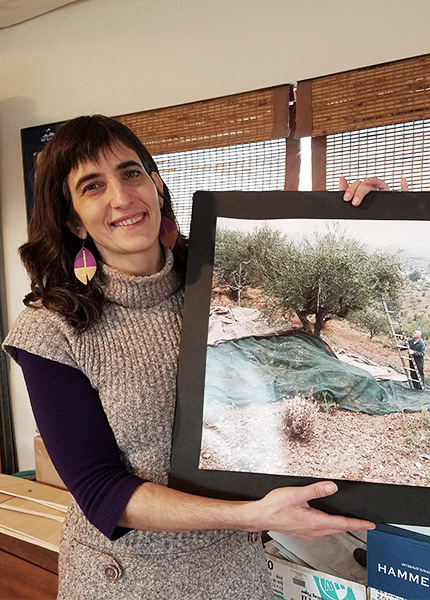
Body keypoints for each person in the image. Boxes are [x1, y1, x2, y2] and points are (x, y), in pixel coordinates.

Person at [2, 115, 388, 599]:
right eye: (92, 186)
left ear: (157, 185)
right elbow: (101, 491)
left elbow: (313, 267)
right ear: (72, 218)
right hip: (126, 581)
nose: (121, 198)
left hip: (237, 573)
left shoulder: (214, 286)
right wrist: (247, 516)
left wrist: (372, 214)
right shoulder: (51, 328)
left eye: (131, 172)